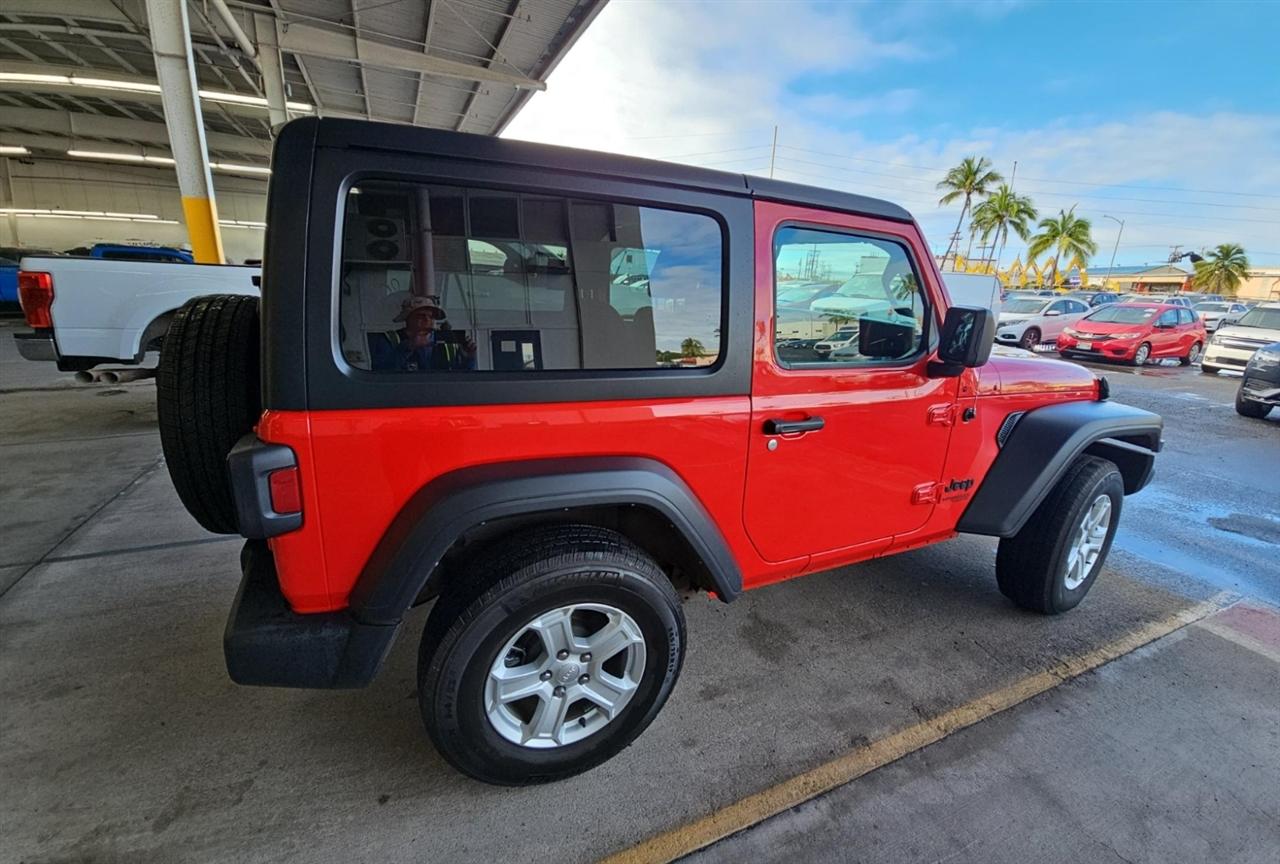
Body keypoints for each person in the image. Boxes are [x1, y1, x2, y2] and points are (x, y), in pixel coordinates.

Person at [370, 296, 477, 372]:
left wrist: (469, 358)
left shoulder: (449, 341)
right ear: (408, 318)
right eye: (421, 315)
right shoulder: (389, 339)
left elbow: (463, 378)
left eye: (431, 316)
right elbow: (380, 373)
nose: (427, 319)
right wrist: (408, 347)